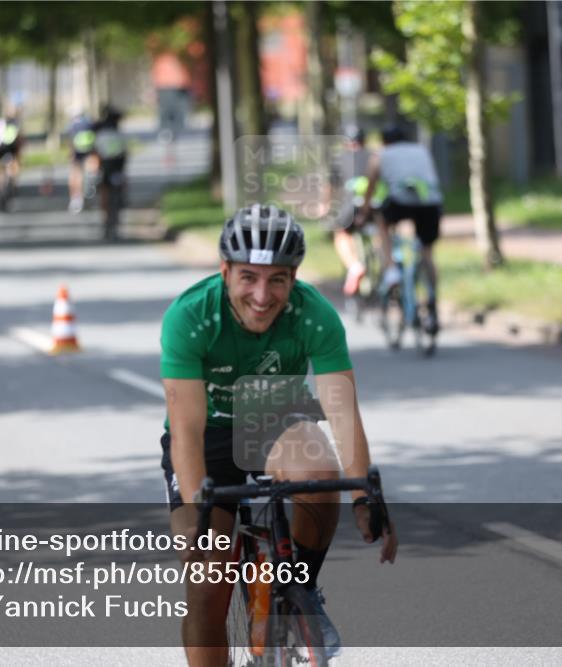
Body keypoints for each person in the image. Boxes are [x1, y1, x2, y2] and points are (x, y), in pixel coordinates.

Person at [159, 203, 398, 666]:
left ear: (294, 277)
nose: (262, 295)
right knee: (208, 578)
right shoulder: (190, 316)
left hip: (275, 419)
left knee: (320, 473)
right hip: (206, 435)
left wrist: (365, 498)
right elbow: (186, 429)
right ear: (225, 271)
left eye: (277, 280)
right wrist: (196, 512)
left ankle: (298, 592)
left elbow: (342, 413)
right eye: (248, 277)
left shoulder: (313, 314)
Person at [356, 126, 444, 335]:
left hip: (399, 202)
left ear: (384, 142)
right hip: (431, 202)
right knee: (427, 253)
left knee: (381, 221)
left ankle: (391, 269)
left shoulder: (380, 155)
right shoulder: (421, 150)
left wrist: (363, 213)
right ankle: (432, 301)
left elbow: (370, 186)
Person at [326, 126, 386, 296]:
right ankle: (385, 265)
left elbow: (330, 187)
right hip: (374, 204)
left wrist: (327, 206)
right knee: (381, 233)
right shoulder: (375, 155)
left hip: (351, 206)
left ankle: (354, 266)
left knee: (341, 233)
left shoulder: (339, 158)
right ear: (364, 140)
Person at [92, 105, 127, 227]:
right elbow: (124, 152)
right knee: (121, 182)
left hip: (106, 165)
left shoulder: (101, 135)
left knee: (104, 190)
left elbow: (96, 153)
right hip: (117, 164)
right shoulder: (118, 135)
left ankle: (105, 216)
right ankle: (121, 200)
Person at [67, 108, 97, 214]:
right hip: (89, 150)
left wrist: (71, 154)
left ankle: (76, 199)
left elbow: (71, 140)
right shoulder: (89, 123)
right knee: (90, 166)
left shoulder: (72, 125)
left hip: (77, 152)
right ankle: (90, 183)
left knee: (76, 174)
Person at [0, 107, 23, 197]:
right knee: (14, 165)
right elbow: (19, 139)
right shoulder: (15, 123)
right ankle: (13, 183)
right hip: (11, 147)